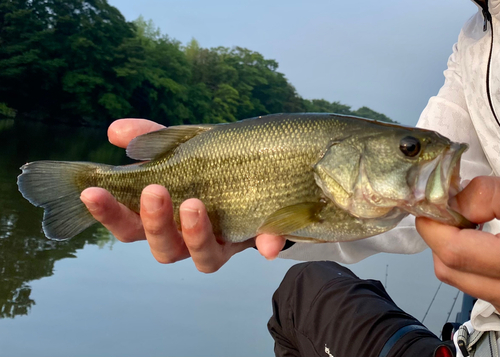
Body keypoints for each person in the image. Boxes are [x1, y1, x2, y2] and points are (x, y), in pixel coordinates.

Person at [80, 0, 500, 355]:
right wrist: (254, 225)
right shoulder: (473, 37)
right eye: (410, 149)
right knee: (301, 293)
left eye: (409, 150)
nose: (420, 155)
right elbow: (423, 203)